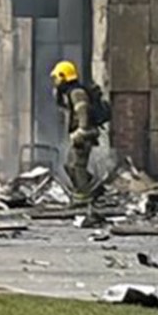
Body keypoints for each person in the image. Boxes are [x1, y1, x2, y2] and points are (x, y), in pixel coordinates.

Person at [51, 60, 103, 223]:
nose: (56, 82)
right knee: (69, 165)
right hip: (78, 134)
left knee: (77, 166)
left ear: (64, 76)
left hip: (84, 134)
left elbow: (83, 112)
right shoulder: (69, 92)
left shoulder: (76, 93)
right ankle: (93, 189)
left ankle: (83, 199)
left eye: (57, 78)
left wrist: (82, 130)